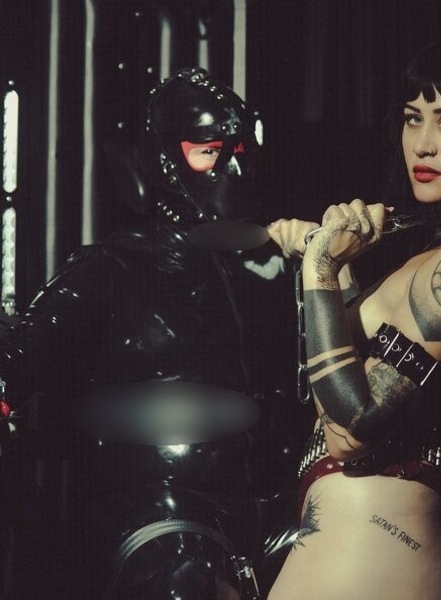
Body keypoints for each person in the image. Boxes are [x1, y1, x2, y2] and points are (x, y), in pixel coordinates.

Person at [0, 67, 298, 599]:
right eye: (209, 152)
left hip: (263, 509)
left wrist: (324, 271)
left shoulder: (264, 271)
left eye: (239, 152)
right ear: (164, 161)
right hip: (155, 516)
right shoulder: (109, 268)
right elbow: (12, 368)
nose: (232, 169)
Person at [266, 32, 441, 600]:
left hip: (375, 547)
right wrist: (339, 269)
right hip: (375, 544)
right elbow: (357, 376)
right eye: (413, 119)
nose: (423, 144)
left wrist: (320, 268)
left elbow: (352, 431)